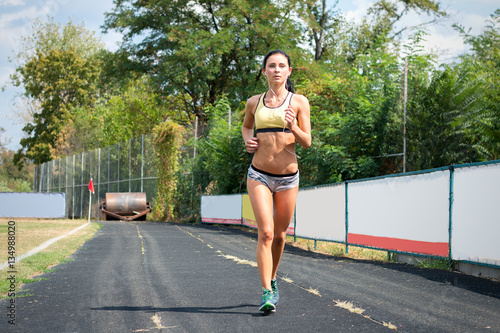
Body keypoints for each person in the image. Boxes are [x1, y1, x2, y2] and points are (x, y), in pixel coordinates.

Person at [241, 50, 311, 313]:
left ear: (289, 71)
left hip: (288, 179)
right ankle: (266, 292)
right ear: (264, 71)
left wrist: (293, 127)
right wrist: (247, 139)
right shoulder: (253, 102)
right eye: (272, 66)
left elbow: (307, 142)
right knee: (266, 233)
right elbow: (247, 126)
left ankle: (273, 277)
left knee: (280, 237)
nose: (277, 70)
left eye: (282, 66)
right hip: (258, 174)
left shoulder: (300, 102)